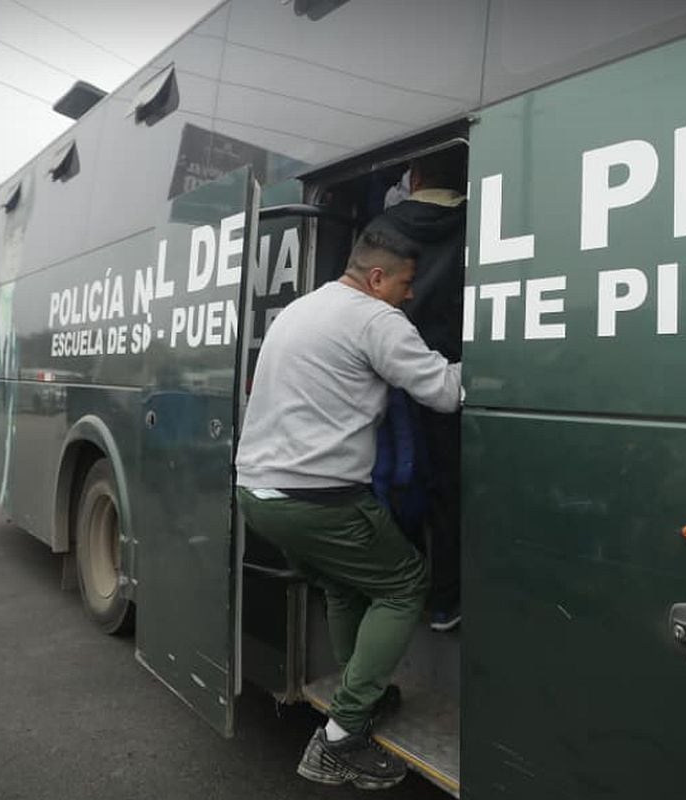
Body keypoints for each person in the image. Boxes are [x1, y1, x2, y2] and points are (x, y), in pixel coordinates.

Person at [235, 221, 461, 789]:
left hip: (258, 493)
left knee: (343, 584)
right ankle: (340, 738)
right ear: (378, 277)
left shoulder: (302, 308)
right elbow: (443, 391)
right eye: (407, 283)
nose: (411, 295)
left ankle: (361, 693)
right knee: (405, 584)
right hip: (319, 499)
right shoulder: (376, 319)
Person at [378, 149, 467, 630]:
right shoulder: (482, 218)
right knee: (450, 492)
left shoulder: (382, 228)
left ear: (413, 177)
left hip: (394, 380)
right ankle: (445, 601)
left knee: (397, 482)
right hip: (453, 376)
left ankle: (400, 588)